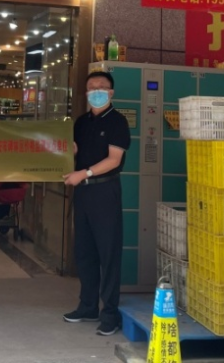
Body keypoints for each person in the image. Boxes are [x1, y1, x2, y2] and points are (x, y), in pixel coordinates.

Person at [62, 71, 131, 336]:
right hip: (83, 193)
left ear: (111, 92)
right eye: (92, 87)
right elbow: (74, 150)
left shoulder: (117, 121)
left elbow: (114, 159)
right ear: (86, 92)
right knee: (84, 251)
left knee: (108, 253)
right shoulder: (81, 122)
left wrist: (85, 173)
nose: (96, 91)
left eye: (102, 87)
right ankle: (88, 306)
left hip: (105, 191)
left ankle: (110, 313)